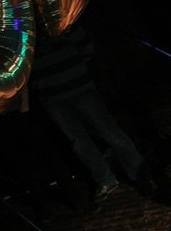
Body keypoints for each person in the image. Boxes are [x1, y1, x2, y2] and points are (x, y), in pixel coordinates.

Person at [30, 24, 155, 205]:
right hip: (51, 97)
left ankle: (140, 174)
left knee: (109, 132)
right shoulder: (22, 32)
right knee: (78, 142)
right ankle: (105, 179)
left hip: (79, 87)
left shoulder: (61, 21)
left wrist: (78, 69)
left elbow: (85, 45)